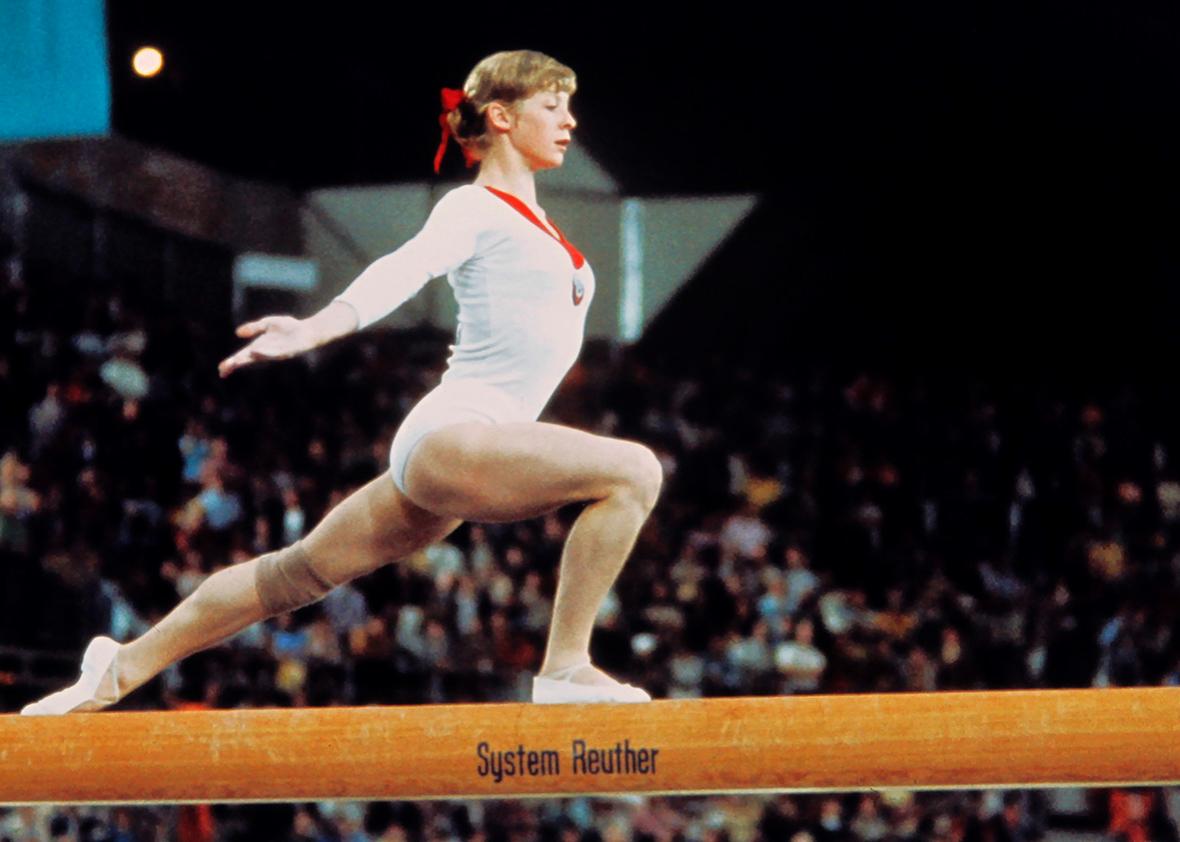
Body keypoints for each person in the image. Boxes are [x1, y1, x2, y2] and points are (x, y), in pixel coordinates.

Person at [22, 49, 661, 714]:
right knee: (635, 472)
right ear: (500, 116)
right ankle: (564, 668)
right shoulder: (476, 210)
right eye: (552, 107)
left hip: (465, 451)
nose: (570, 121)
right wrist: (317, 326)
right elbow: (402, 267)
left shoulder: (534, 223)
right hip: (458, 433)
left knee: (293, 574)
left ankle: (119, 667)